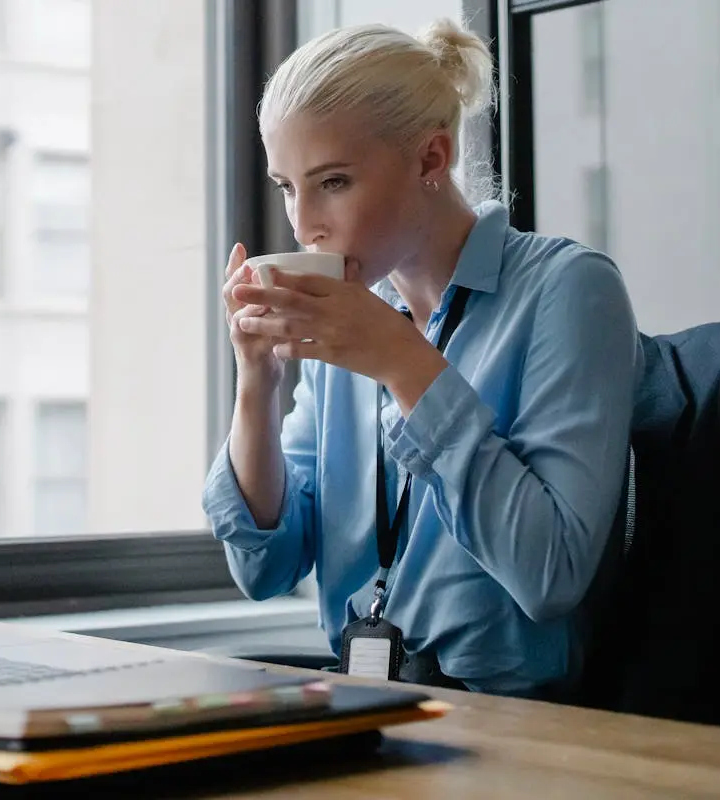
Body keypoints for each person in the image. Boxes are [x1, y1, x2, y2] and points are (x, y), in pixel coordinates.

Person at [202, 17, 643, 697]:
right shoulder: (345, 321)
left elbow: (551, 574)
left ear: (431, 160)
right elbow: (264, 567)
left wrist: (404, 365)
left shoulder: (568, 289)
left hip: (519, 728)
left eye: (334, 181)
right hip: (369, 707)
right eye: (288, 186)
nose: (303, 223)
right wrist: (256, 383)